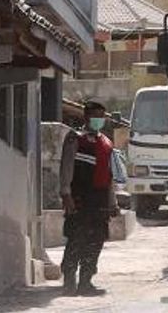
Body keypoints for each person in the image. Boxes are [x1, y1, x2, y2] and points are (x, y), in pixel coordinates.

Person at [60, 100, 119, 296]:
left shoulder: (107, 143)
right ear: (86, 117)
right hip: (79, 197)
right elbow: (66, 168)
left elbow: (110, 177)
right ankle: (69, 280)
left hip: (99, 200)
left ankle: (86, 281)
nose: (99, 120)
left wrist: (113, 203)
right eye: (95, 117)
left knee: (96, 240)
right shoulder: (75, 138)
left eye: (102, 117)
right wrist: (66, 194)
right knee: (76, 238)